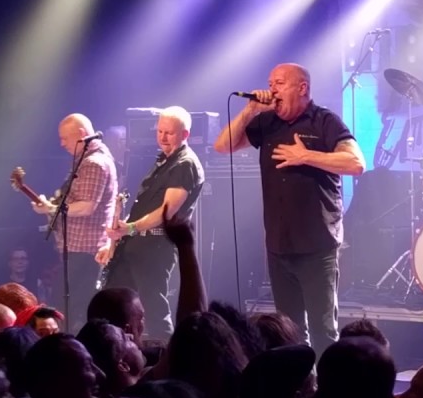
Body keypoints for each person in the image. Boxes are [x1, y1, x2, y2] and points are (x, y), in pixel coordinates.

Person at [214, 63, 365, 352]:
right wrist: (250, 110)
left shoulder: (325, 121)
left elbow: (356, 163)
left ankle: (326, 380)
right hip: (279, 244)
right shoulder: (267, 121)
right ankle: (299, 379)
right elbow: (223, 146)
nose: (272, 90)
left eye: (279, 83)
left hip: (317, 245)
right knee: (288, 330)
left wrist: (306, 156)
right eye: (270, 83)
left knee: (323, 329)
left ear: (302, 88)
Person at [105, 106, 205, 339]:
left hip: (156, 247)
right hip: (137, 244)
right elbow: (145, 206)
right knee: (115, 303)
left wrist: (131, 228)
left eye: (169, 133)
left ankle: (166, 355)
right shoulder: (164, 160)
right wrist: (120, 235)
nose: (162, 137)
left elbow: (166, 212)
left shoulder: (185, 164)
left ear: (185, 134)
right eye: (159, 131)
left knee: (154, 309)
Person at [31, 113, 119, 323]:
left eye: (65, 138)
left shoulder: (94, 163)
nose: (62, 144)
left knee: (69, 309)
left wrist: (52, 208)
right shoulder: (86, 159)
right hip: (78, 248)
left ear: (81, 134)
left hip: (85, 249)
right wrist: (51, 206)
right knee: (67, 307)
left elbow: (87, 206)